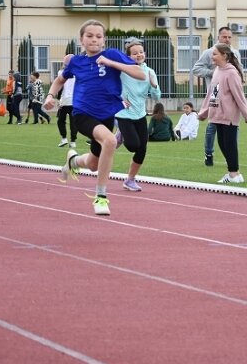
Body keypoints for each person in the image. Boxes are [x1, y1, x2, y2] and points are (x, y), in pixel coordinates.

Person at [43, 19, 147, 216]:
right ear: (81, 40)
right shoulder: (76, 62)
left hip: (106, 115)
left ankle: (73, 161)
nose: (94, 40)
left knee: (92, 164)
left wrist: (110, 63)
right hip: (83, 113)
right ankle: (100, 197)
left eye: (98, 36)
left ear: (104, 40)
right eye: (89, 36)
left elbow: (140, 74)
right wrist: (50, 96)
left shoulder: (112, 55)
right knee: (109, 141)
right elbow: (59, 80)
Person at [198, 43, 247, 183]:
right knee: (222, 144)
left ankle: (233, 174)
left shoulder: (231, 73)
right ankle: (234, 173)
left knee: (229, 144)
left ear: (224, 55)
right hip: (216, 115)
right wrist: (204, 112)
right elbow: (212, 93)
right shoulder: (217, 70)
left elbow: (239, 96)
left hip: (229, 115)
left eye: (215, 54)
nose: (212, 57)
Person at [115, 39, 161, 191]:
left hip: (140, 114)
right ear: (128, 56)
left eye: (141, 52)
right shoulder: (123, 70)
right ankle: (121, 133)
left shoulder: (149, 72)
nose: (139, 55)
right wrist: (119, 98)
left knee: (142, 148)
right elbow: (110, 87)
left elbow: (156, 97)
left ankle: (130, 180)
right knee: (133, 145)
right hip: (124, 113)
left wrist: (154, 85)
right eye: (134, 53)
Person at [191, 26, 240, 167]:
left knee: (233, 126)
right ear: (218, 37)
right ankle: (208, 153)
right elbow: (196, 69)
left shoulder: (235, 53)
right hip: (215, 92)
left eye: (230, 37)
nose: (227, 39)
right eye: (224, 37)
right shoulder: (209, 53)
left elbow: (239, 69)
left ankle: (230, 156)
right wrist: (214, 73)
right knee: (212, 125)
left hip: (230, 95)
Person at [56, 65, 77, 148]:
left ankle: (64, 138)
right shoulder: (77, 72)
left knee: (61, 120)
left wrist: (58, 99)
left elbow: (60, 86)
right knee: (73, 122)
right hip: (74, 101)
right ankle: (73, 141)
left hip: (65, 100)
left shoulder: (61, 72)